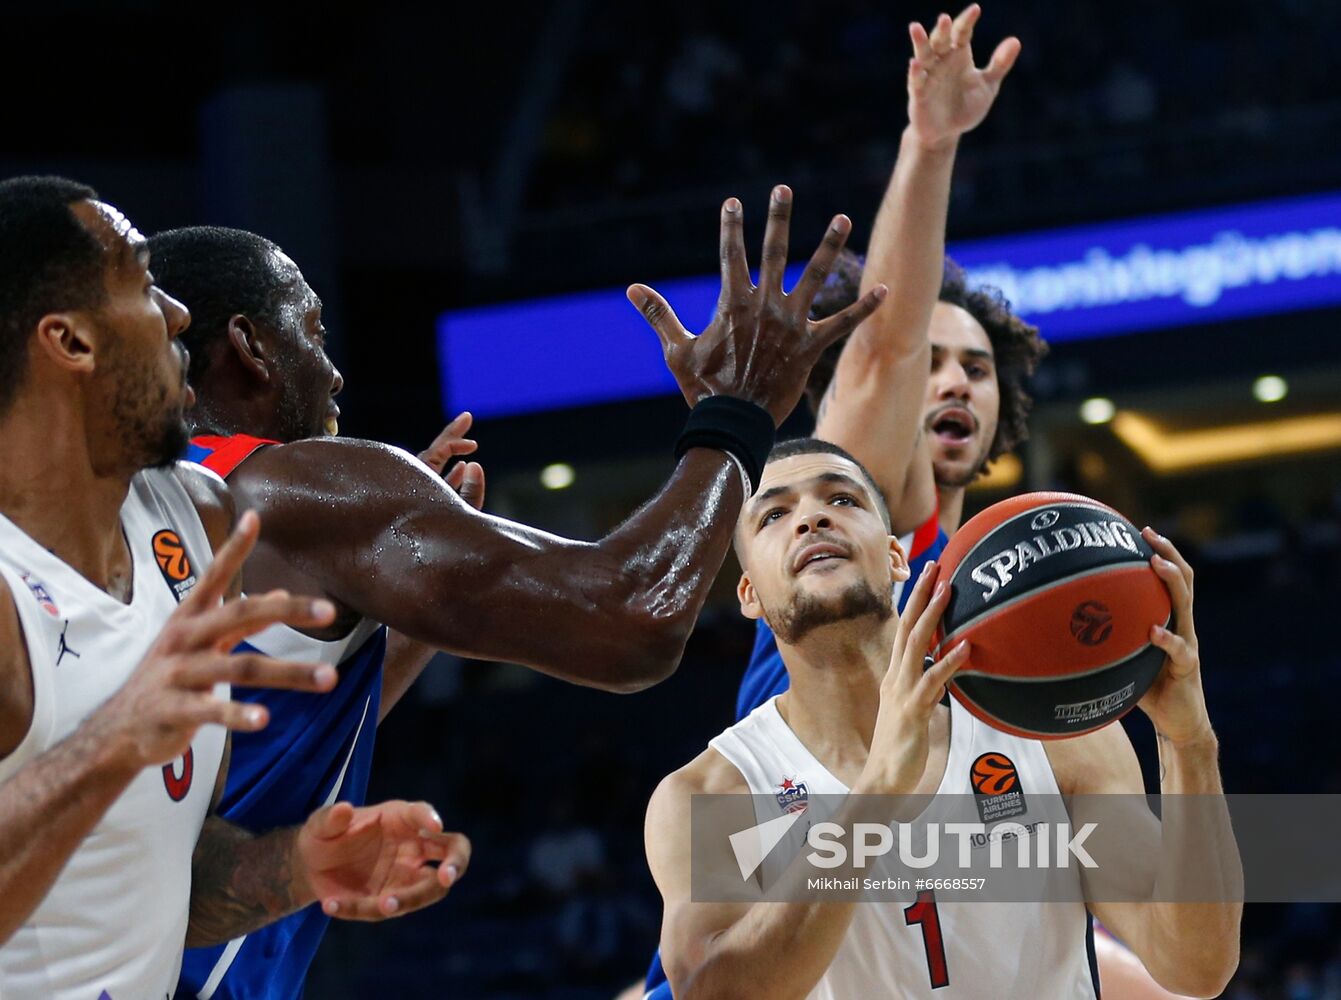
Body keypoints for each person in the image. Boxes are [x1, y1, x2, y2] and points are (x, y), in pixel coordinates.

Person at [140, 186, 887, 999]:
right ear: (251, 346)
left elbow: (265, 737)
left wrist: (398, 600)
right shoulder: (293, 485)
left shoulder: (144, 513)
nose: (334, 367)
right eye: (312, 330)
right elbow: (633, 617)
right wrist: (738, 412)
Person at [0, 176, 472, 998]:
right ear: (70, 343)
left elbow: (161, 875)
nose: (178, 315)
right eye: (143, 285)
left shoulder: (186, 524)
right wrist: (728, 423)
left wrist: (293, 869)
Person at [645, 437, 1241, 998]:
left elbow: (1196, 965)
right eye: (773, 515)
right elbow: (710, 990)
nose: (811, 518)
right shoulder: (708, 794)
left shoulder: (1051, 736)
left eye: (842, 499)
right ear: (748, 594)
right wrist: (875, 796)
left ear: (897, 557)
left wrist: (1189, 742)